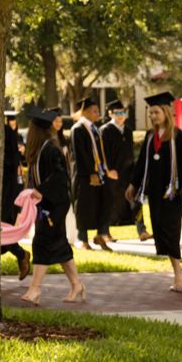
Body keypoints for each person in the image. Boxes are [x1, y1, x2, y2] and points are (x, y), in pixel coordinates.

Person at [21, 108, 86, 304]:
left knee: (42, 242)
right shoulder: (41, 149)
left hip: (54, 204)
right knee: (58, 244)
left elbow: (60, 176)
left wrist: (41, 190)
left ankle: (35, 289)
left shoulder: (50, 149)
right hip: (47, 203)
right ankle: (77, 284)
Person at [132, 93, 182, 291]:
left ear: (166, 113)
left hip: (174, 193)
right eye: (150, 113)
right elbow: (142, 163)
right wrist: (133, 185)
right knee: (160, 230)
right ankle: (177, 269)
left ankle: (178, 274)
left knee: (171, 230)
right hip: (156, 192)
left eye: (156, 112)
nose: (153, 116)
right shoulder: (151, 137)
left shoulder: (180, 137)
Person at [69, 97, 115, 250]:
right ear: (85, 112)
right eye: (95, 111)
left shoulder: (95, 128)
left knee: (105, 201)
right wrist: (91, 173)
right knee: (84, 206)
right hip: (85, 175)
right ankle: (83, 240)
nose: (98, 114)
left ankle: (100, 234)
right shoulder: (78, 129)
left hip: (100, 173)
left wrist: (105, 170)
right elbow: (80, 154)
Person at [101, 100, 145, 242]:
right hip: (112, 173)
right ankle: (105, 232)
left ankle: (142, 230)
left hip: (128, 172)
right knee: (109, 202)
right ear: (110, 114)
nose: (120, 115)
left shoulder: (128, 130)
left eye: (123, 112)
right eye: (117, 113)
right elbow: (102, 153)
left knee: (135, 200)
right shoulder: (105, 130)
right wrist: (108, 170)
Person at [0, 108, 33, 279]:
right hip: (5, 189)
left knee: (1, 229)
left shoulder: (6, 134)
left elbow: (11, 164)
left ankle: (21, 255)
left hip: (6, 192)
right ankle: (21, 255)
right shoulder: (6, 133)